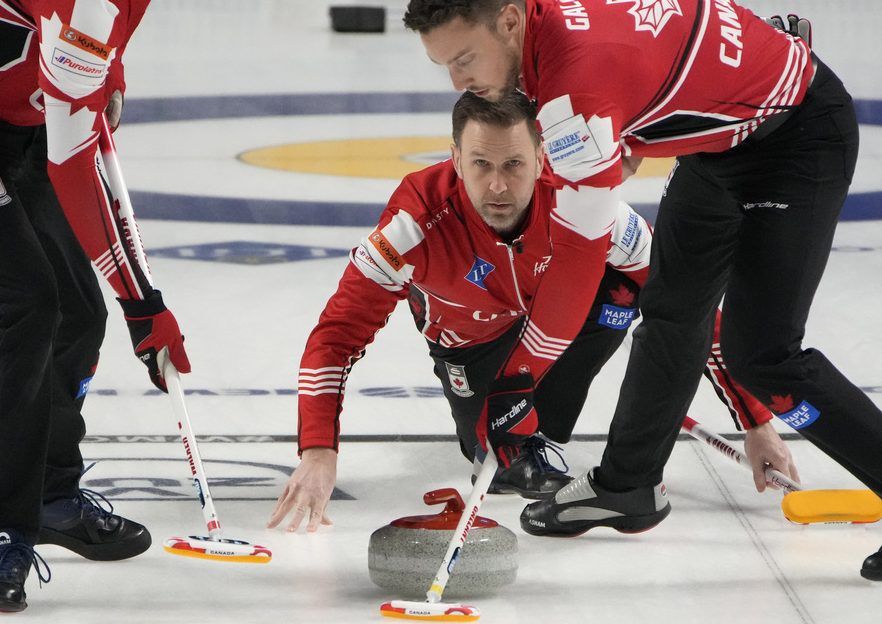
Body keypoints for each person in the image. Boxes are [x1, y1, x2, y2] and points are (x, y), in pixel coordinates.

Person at [404, 1, 882, 578]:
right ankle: (628, 486)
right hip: (720, 148)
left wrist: (519, 377)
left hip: (798, 138)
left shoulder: (575, 93)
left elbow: (581, 260)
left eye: (463, 59)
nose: (458, 84)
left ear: (508, 22)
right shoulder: (547, 35)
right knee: (673, 311)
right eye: (442, 66)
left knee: (765, 356)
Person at [267, 90, 793, 535]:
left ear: (542, 158)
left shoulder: (587, 206)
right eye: (481, 165)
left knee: (629, 300)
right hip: (472, 342)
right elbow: (335, 337)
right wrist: (318, 451)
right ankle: (527, 430)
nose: (498, 186)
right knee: (499, 458)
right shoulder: (412, 227)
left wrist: (756, 420)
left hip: (570, 323)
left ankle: (562, 428)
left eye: (514, 164)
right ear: (454, 158)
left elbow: (690, 307)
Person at [1, 0, 191, 612]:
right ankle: (6, 525)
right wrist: (144, 303)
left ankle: (50, 494)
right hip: (26, 125)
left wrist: (109, 76)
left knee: (78, 314)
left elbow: (102, 36)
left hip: (21, 124)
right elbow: (74, 166)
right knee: (28, 304)